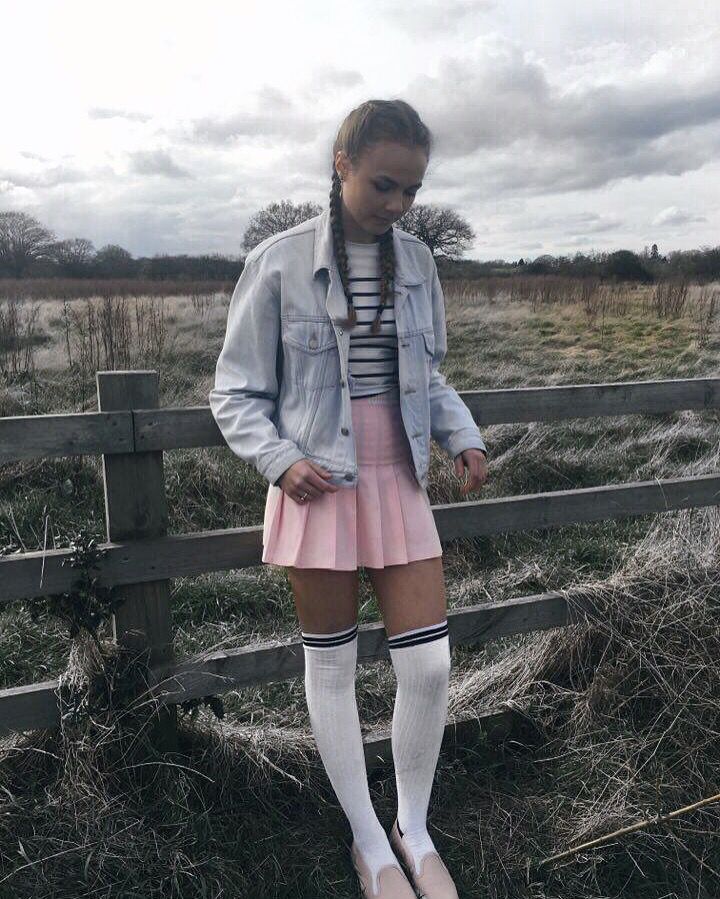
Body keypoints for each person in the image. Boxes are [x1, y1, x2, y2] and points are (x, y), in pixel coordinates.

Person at [210, 98, 488, 899]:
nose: (399, 205)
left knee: (429, 666)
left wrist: (460, 434)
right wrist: (278, 459)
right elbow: (234, 391)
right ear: (342, 166)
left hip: (398, 471)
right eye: (384, 185)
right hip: (317, 481)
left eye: (412, 190)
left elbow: (428, 375)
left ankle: (414, 826)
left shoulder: (421, 265)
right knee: (331, 668)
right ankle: (369, 845)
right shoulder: (277, 261)